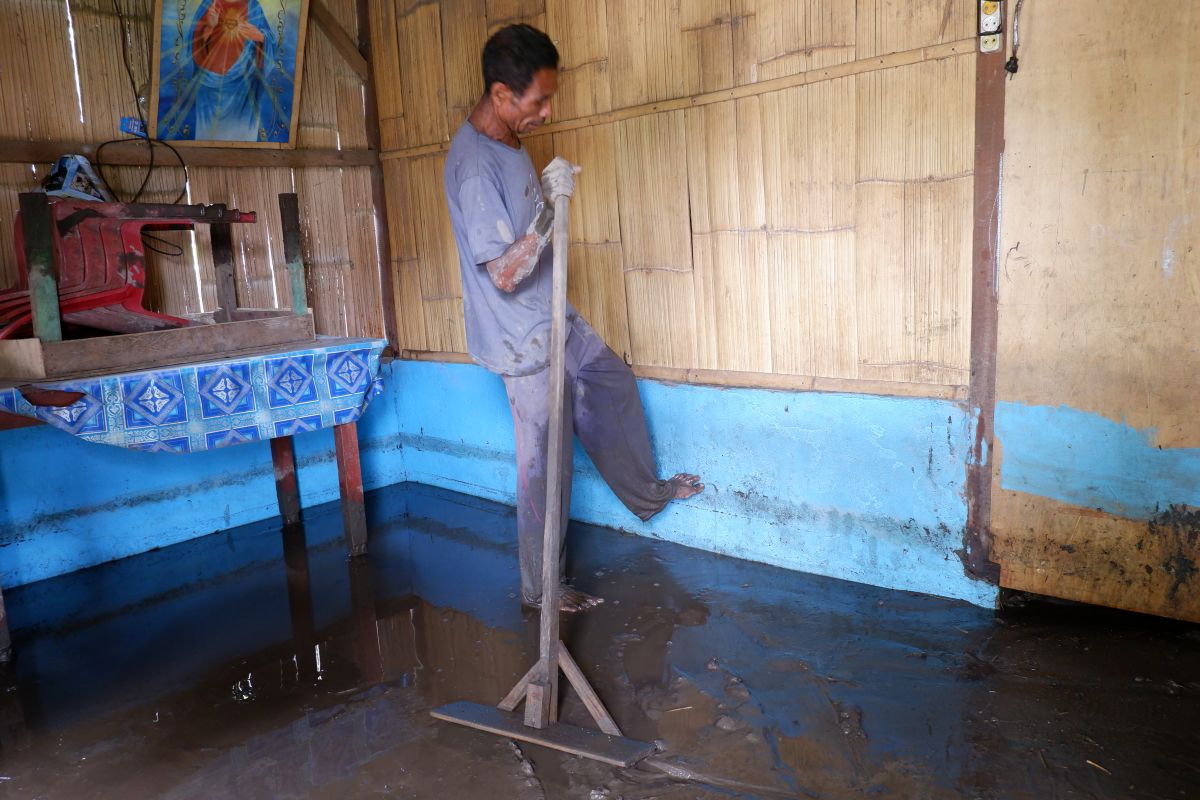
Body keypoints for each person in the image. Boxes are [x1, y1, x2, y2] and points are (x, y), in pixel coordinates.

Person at [443, 24, 704, 614]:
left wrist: (543, 203)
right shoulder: (476, 168)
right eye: (539, 101)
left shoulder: (506, 137)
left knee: (610, 382)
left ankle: (646, 494)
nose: (548, 111)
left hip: (551, 314)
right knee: (544, 470)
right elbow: (505, 274)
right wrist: (548, 214)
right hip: (520, 340)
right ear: (502, 95)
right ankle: (540, 591)